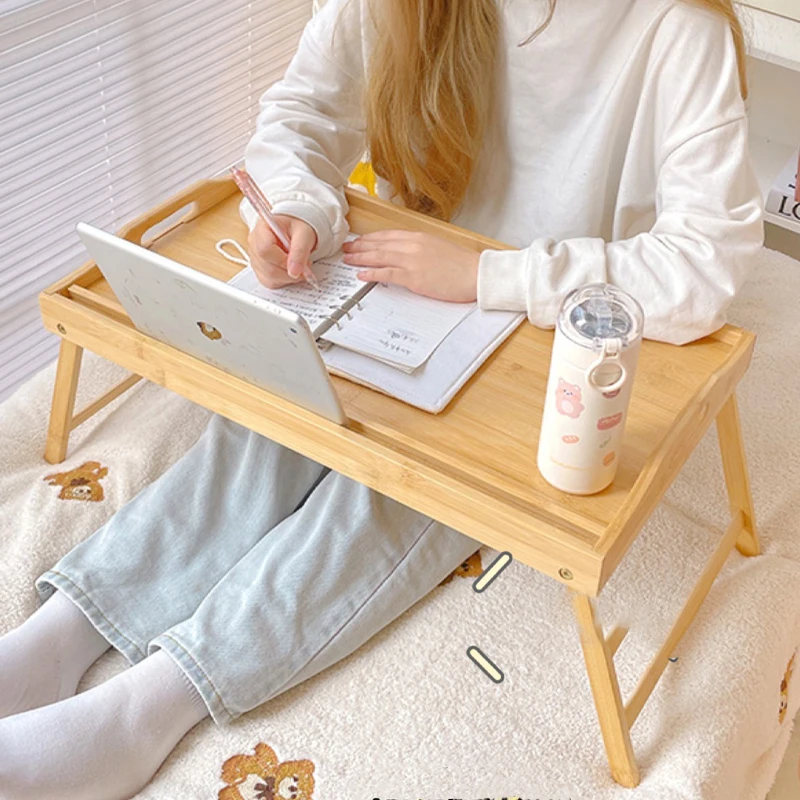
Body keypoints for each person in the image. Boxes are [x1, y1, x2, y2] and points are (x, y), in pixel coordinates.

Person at [0, 0, 762, 797]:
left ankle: (149, 705)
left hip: (550, 328)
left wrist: (485, 277)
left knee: (391, 490)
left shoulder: (678, 30)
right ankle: (61, 635)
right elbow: (300, 115)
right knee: (272, 429)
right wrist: (296, 205)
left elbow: (706, 266)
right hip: (385, 290)